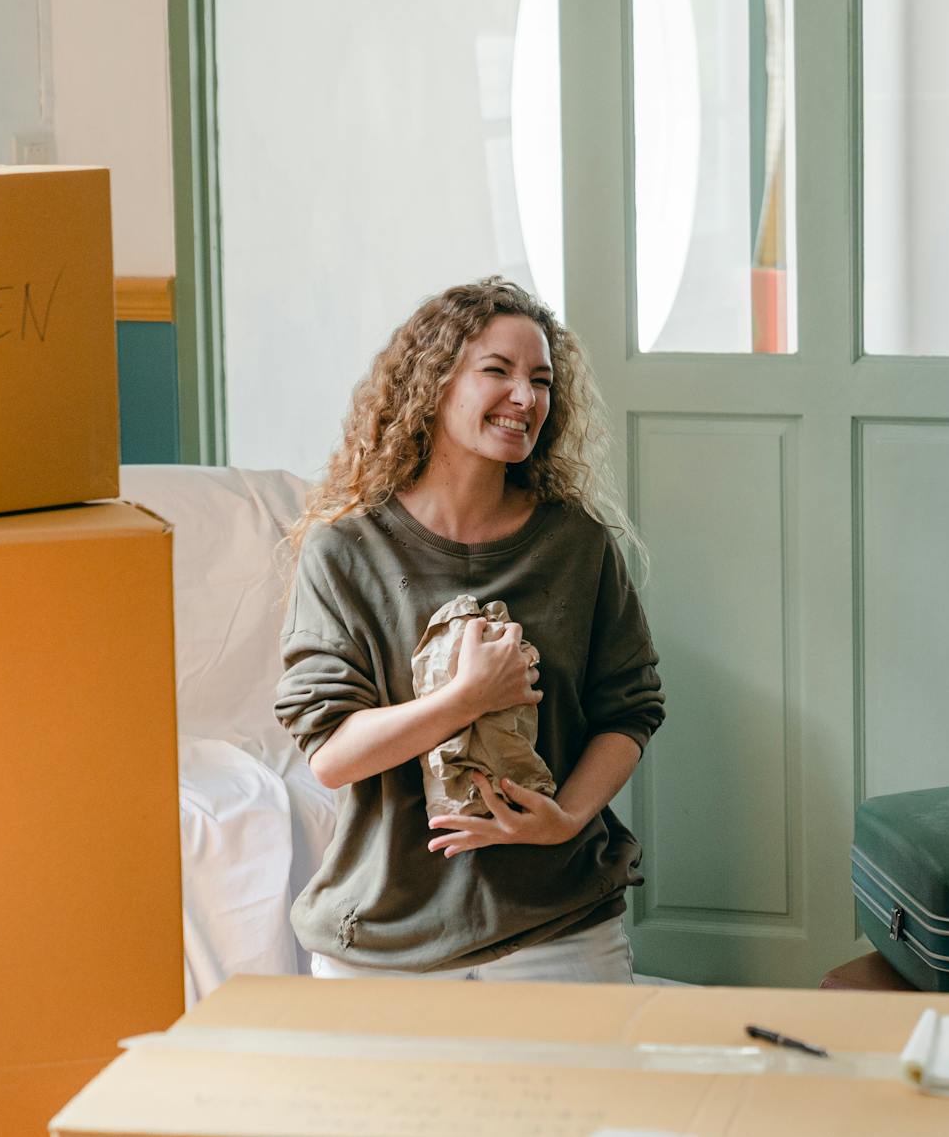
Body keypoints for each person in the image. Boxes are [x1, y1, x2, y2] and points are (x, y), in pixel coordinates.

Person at [275, 277, 664, 984]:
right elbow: (330, 754)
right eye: (499, 371)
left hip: (559, 921)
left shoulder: (577, 546)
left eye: (542, 380)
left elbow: (630, 708)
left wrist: (567, 817)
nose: (527, 397)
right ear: (435, 383)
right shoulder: (346, 551)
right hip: (386, 934)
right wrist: (465, 697)